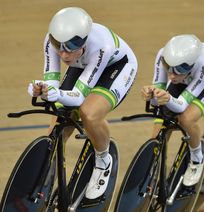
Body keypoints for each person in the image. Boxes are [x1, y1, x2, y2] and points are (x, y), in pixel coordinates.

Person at [27, 7, 138, 200]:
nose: (63, 54)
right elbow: (52, 84)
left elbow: (78, 96)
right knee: (59, 120)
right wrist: (42, 90)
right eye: (59, 46)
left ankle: (103, 160)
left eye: (70, 47)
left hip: (116, 68)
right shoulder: (52, 41)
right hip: (82, 65)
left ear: (84, 41)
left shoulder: (101, 45)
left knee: (89, 113)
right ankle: (47, 170)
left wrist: (56, 93)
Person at [141, 34, 204, 186]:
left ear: (191, 65)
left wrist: (167, 98)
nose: (171, 75)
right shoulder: (164, 56)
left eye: (178, 70)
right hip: (186, 80)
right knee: (160, 125)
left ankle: (197, 157)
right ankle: (157, 165)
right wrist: (151, 93)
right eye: (168, 69)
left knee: (186, 119)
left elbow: (181, 105)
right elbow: (157, 96)